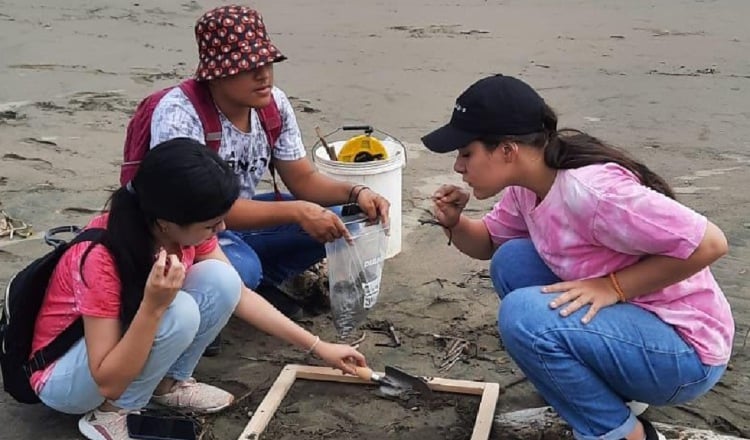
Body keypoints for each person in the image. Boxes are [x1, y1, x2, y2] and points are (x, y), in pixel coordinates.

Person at [421, 74, 733, 440]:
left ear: (508, 150)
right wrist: (456, 224)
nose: (459, 167)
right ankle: (605, 394)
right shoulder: (528, 187)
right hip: (636, 327)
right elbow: (489, 242)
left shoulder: (595, 193)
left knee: (523, 316)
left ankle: (627, 434)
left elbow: (711, 243)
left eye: (466, 153)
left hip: (685, 353)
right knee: (512, 261)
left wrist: (613, 286)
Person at [32, 138, 367, 440]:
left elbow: (237, 293)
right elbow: (108, 381)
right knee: (178, 310)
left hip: (116, 351)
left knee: (219, 279)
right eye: (210, 225)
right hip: (66, 381)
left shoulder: (176, 232)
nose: (220, 229)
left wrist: (319, 347)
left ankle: (167, 385)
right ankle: (112, 415)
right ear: (166, 222)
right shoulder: (101, 256)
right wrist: (153, 306)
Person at [148, 4, 390, 333]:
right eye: (248, 67)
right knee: (239, 270)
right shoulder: (181, 114)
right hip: (188, 233)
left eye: (266, 63)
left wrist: (356, 192)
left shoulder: (272, 104)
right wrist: (297, 212)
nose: (263, 74)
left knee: (342, 219)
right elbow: (194, 211)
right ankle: (221, 299)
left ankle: (255, 289)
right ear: (216, 73)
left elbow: (303, 179)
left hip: (232, 225)